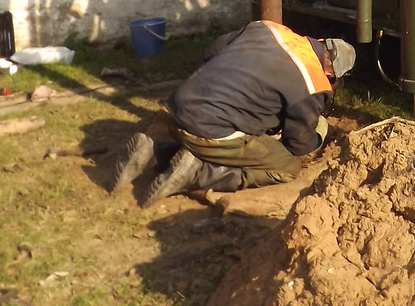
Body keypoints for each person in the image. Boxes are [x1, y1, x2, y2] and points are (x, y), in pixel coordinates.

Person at [111, 20, 356, 207]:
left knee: (218, 130)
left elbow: (212, 50)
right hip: (206, 133)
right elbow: (298, 144)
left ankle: (153, 152)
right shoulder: (314, 83)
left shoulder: (269, 29)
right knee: (287, 166)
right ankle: (199, 172)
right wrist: (319, 132)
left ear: (322, 41)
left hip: (177, 112)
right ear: (332, 74)